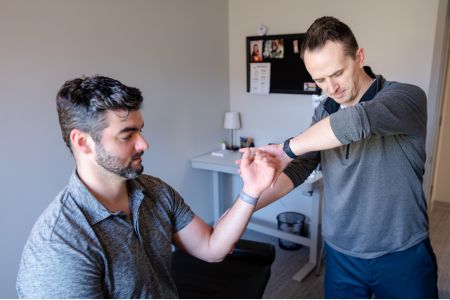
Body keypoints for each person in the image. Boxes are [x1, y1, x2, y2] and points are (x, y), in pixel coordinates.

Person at [16, 75, 277, 298]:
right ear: (83, 142)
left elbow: (212, 248)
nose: (144, 144)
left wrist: (251, 191)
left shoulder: (155, 191)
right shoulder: (60, 246)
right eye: (128, 135)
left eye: (140, 131)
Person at [252, 16, 438, 298]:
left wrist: (286, 148)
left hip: (403, 253)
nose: (331, 88)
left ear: (359, 56)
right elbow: (301, 166)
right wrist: (245, 208)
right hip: (342, 254)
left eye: (337, 73)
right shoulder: (324, 111)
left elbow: (356, 122)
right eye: (319, 80)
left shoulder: (406, 98)